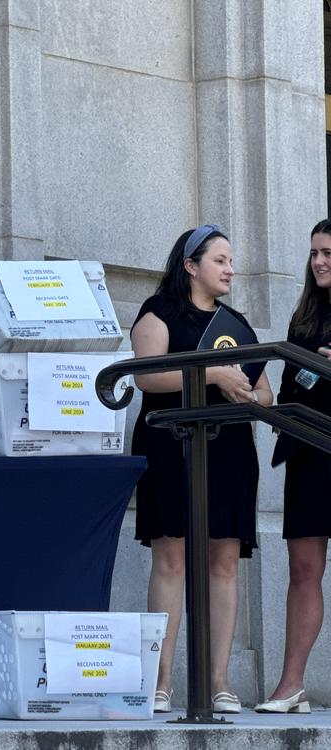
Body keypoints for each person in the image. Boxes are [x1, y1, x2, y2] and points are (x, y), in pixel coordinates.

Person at [129, 224, 274, 715]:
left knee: (224, 562)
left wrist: (246, 393)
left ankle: (218, 683)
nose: (230, 269)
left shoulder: (238, 322)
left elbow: (265, 392)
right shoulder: (159, 312)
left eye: (231, 261)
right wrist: (211, 372)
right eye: (220, 260)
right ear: (191, 266)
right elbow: (147, 375)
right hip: (172, 444)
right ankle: (161, 681)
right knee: (171, 557)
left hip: (229, 448)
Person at [255, 219, 331, 714]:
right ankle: (291, 686)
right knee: (303, 569)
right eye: (314, 254)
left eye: (327, 253)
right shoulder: (303, 315)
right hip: (309, 451)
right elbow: (287, 386)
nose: (319, 262)